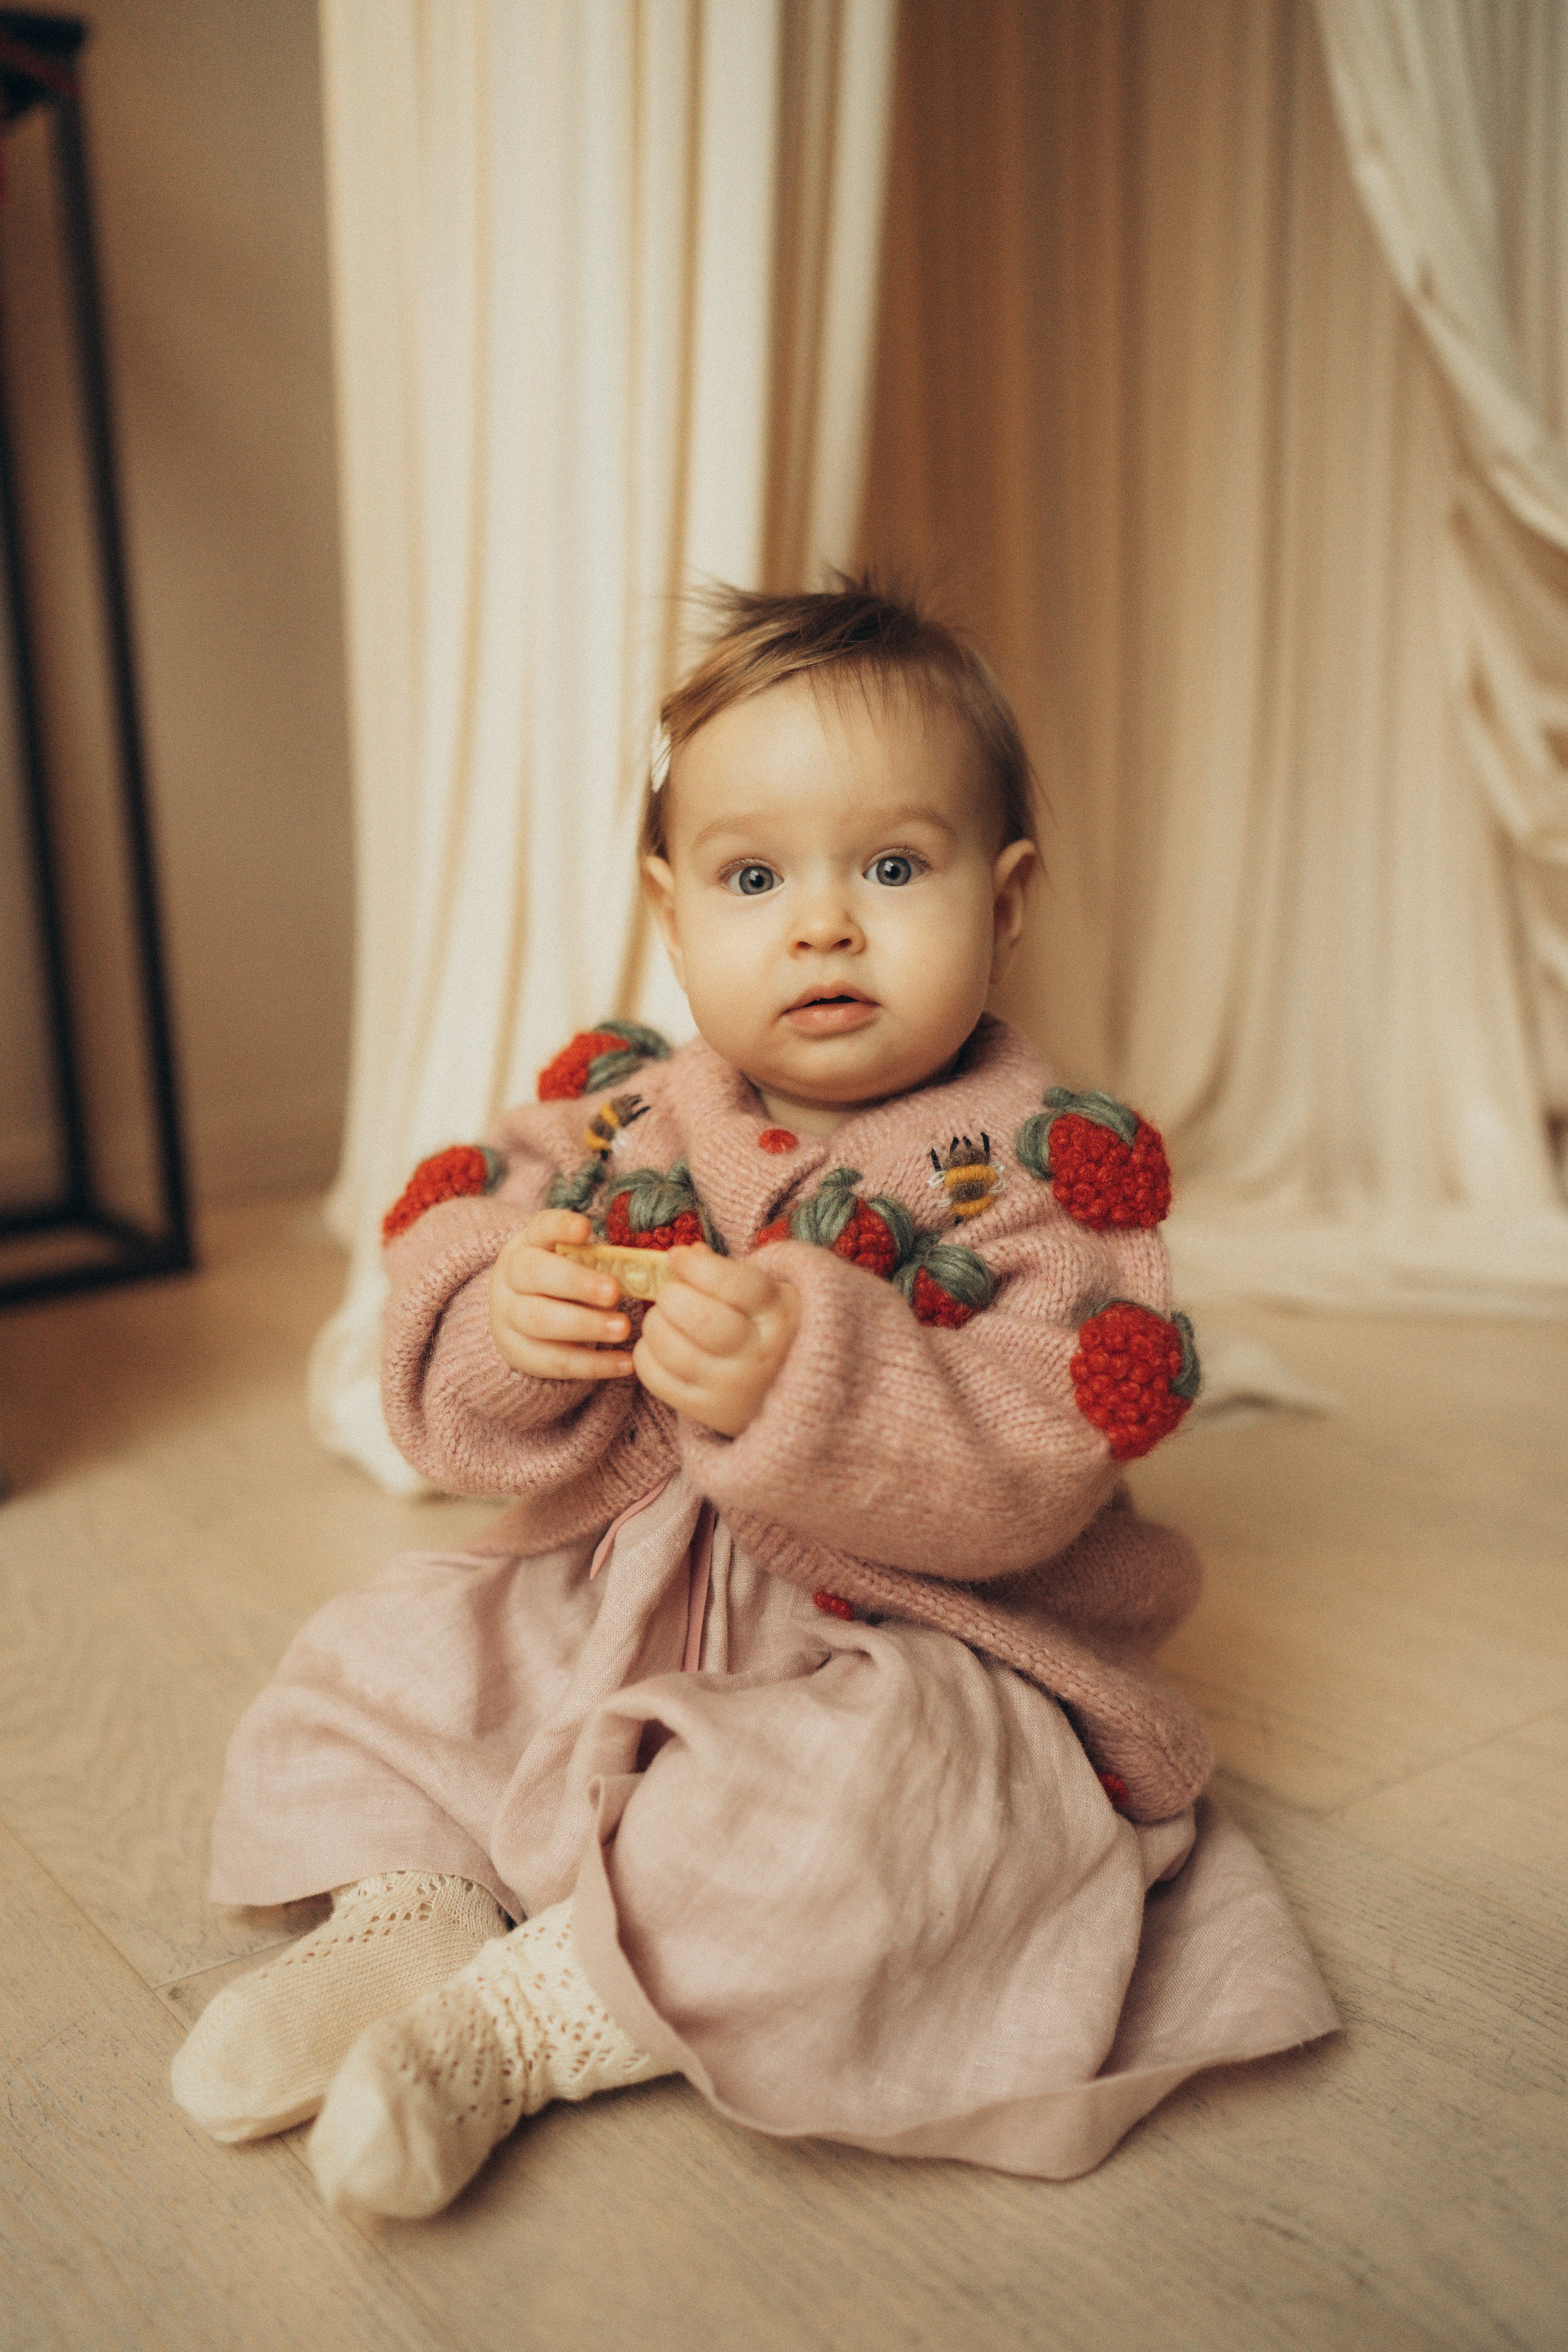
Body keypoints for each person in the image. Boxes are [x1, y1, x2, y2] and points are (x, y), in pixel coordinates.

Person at [172, 580, 1335, 2218]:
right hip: (619, 1591)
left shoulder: (1039, 1178)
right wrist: (521, 1309)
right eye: (753, 875)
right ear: (671, 910)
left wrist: (810, 1370)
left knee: (907, 1825)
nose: (822, 923)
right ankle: (407, 1921)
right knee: (383, 1658)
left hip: (917, 1638)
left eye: (892, 866)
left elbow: (1033, 1461)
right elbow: (459, 1337)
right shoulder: (630, 1116)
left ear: (1005, 903)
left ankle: (535, 2019)